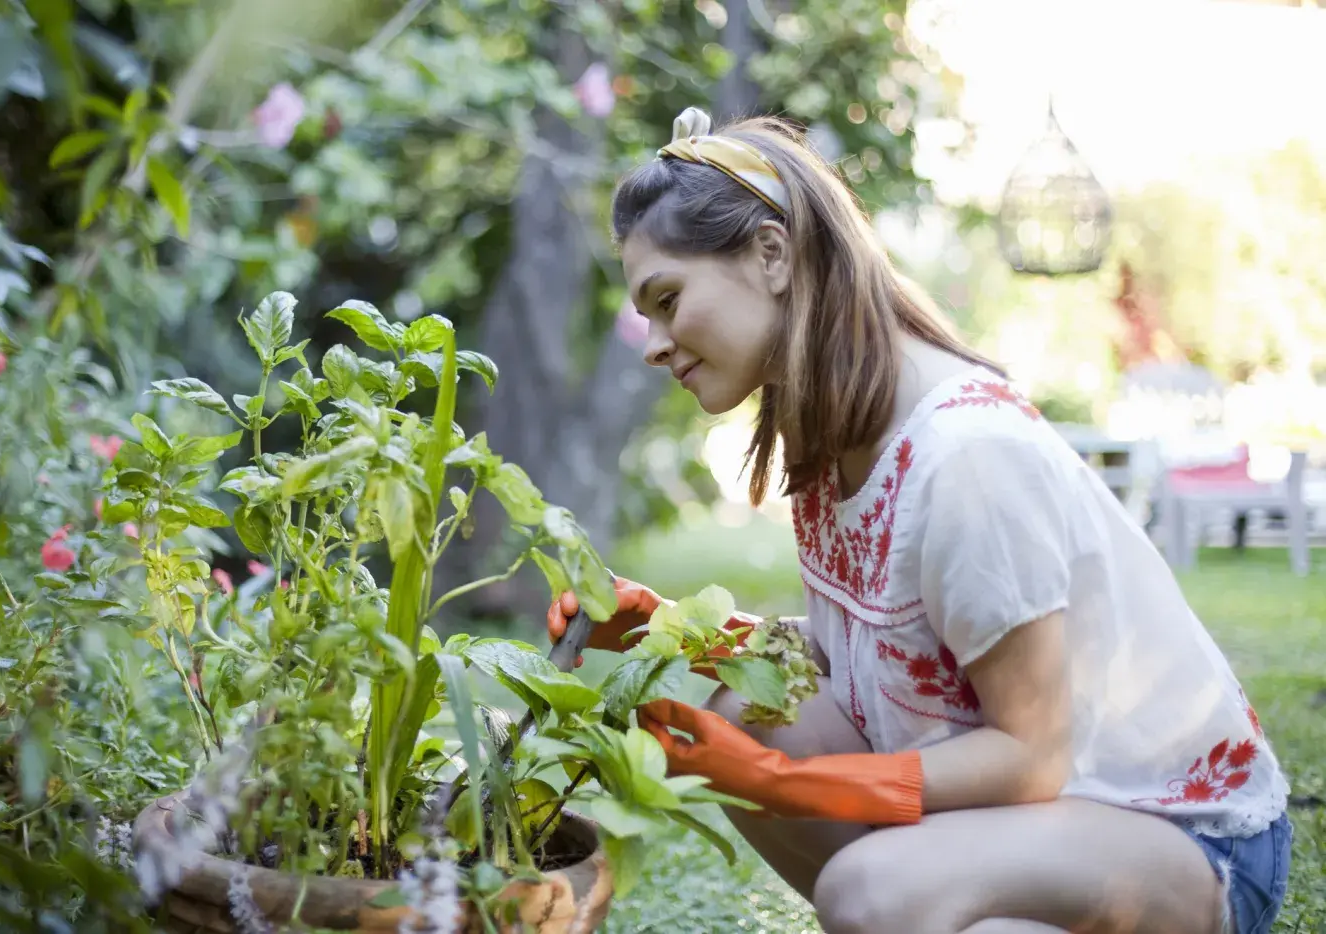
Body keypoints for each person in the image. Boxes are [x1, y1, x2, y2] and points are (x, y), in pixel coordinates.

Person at [545, 108, 1291, 934]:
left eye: (667, 298)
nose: (652, 342)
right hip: (1044, 823)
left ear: (771, 252)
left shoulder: (966, 456)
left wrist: (780, 784)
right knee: (746, 711)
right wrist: (670, 631)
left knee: (873, 889)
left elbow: (1030, 757)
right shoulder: (831, 432)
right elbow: (853, 664)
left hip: (1175, 836)